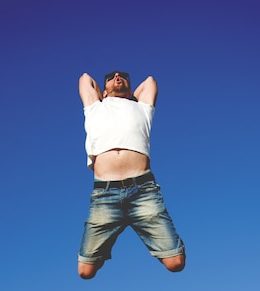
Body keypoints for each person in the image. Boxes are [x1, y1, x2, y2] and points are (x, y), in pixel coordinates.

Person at [77, 70, 186, 279]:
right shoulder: (94, 108)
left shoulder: (142, 108)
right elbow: (84, 78)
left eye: (123, 76)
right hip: (105, 195)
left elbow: (150, 81)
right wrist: (104, 97)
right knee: (85, 271)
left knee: (175, 263)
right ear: (103, 90)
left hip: (143, 192)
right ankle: (105, 245)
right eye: (111, 76)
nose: (117, 77)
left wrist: (129, 96)